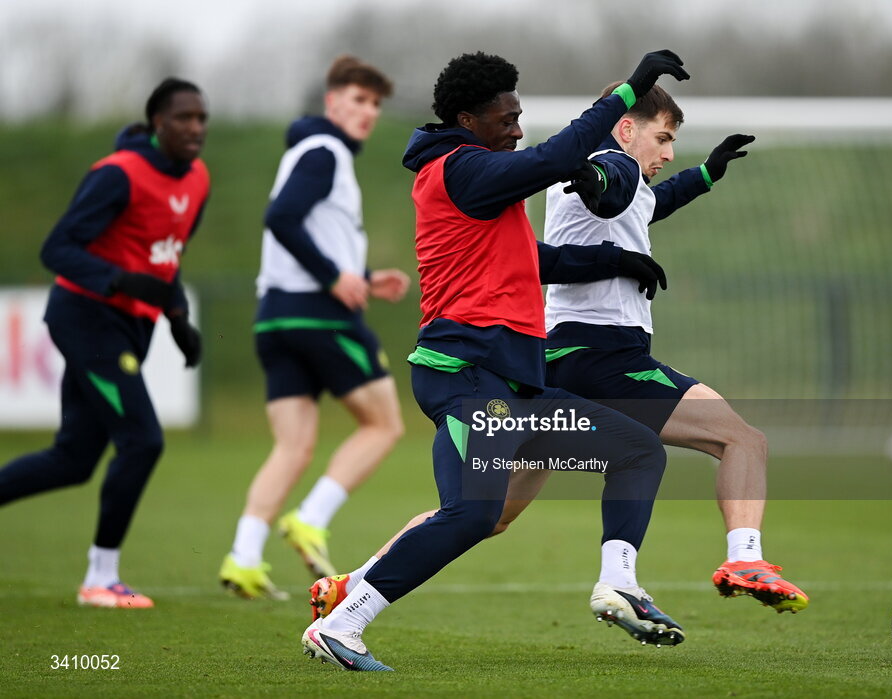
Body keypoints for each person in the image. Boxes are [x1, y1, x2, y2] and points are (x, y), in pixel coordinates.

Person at [312, 82, 808, 648]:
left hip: (540, 364)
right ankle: (738, 561)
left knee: (486, 512)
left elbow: (641, 205)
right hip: (600, 355)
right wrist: (607, 169)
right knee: (741, 441)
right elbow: (609, 187)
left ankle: (352, 585)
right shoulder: (603, 163)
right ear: (625, 126)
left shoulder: (615, 173)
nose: (669, 152)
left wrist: (704, 176)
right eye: (664, 138)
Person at [300, 49, 689, 672]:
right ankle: (343, 622)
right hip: (465, 380)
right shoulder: (461, 170)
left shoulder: (478, 178)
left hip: (513, 389)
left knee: (637, 450)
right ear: (466, 119)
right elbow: (558, 159)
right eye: (505, 119)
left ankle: (621, 584)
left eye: (519, 116)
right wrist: (628, 91)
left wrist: (618, 261)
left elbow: (535, 261)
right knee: (472, 514)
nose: (516, 129)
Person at [0, 78, 209, 608]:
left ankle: (100, 576)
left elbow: (169, 254)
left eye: (201, 118)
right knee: (143, 440)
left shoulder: (199, 179)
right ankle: (101, 578)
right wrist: (118, 280)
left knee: (72, 459)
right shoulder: (118, 175)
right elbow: (57, 248)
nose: (195, 128)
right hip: (87, 318)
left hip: (129, 326)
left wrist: (177, 316)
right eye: (183, 118)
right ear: (156, 122)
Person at [219, 55, 410, 600]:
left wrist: (364, 278)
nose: (368, 111)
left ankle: (244, 556)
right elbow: (281, 217)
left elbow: (308, 234)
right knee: (384, 425)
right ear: (331, 102)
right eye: (357, 99)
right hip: (318, 316)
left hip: (275, 317)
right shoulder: (325, 152)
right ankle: (310, 519)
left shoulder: (309, 151)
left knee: (293, 446)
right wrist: (334, 279)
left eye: (374, 103)